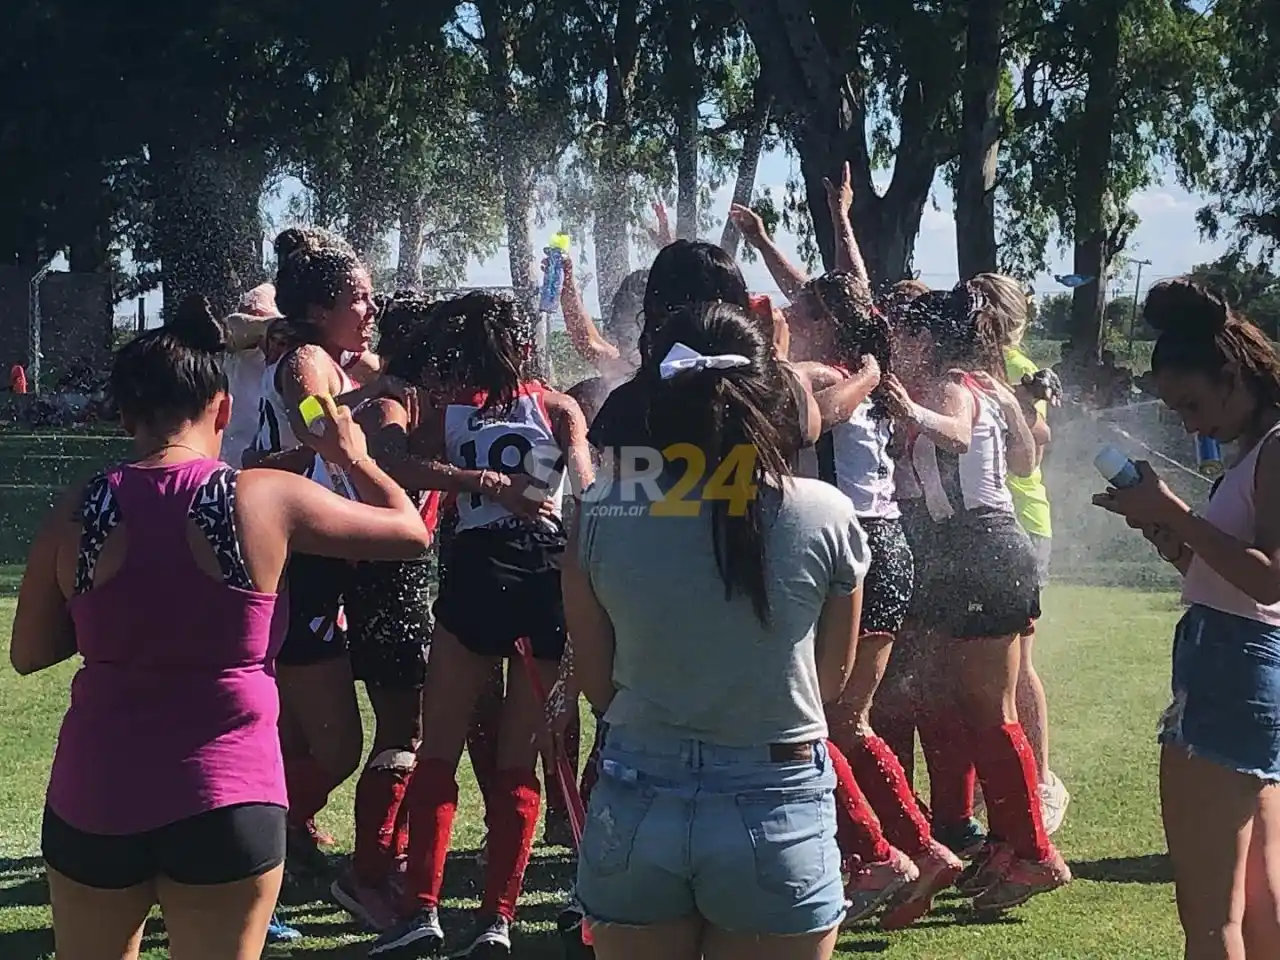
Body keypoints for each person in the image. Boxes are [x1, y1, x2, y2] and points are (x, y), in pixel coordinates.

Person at [9, 296, 431, 960]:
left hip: (98, 793)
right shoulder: (262, 496)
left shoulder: (79, 509)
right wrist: (351, 456)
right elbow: (411, 534)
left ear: (124, 418)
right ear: (223, 410)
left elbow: (30, 652)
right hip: (228, 796)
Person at [565, 301, 867, 960]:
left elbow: (595, 681)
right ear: (770, 390)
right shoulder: (827, 514)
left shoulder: (598, 513)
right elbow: (835, 680)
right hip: (776, 796)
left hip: (637, 795)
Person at [372, 292, 592, 958]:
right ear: (525, 347)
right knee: (517, 761)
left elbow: (396, 462)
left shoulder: (449, 409)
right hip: (547, 575)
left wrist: (479, 482)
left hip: (476, 573)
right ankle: (497, 919)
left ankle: (422, 912)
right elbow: (586, 483)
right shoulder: (558, 407)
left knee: (439, 749)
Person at [1093, 279, 1280, 960]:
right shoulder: (1253, 454)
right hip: (1243, 663)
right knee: (1258, 901)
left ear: (1233, 374)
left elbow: (1270, 578)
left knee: (1210, 917)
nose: (1190, 425)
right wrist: (1170, 538)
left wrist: (1175, 513)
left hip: (1233, 668)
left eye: (1194, 405)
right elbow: (1235, 581)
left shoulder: (1276, 448)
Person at [884, 283, 1071, 911]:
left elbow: (958, 437)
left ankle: (1036, 854)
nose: (894, 346)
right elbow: (1023, 459)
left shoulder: (951, 388)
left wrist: (908, 412)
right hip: (986, 551)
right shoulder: (984, 381)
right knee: (974, 710)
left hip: (979, 551)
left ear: (928, 340)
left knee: (991, 713)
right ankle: (1012, 845)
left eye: (903, 335)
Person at [799, 272, 963, 928]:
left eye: (797, 312)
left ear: (823, 324)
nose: (785, 319)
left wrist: (862, 372)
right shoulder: (860, 370)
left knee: (821, 719)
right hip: (884, 546)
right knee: (844, 719)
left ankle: (887, 853)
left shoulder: (821, 376)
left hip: (852, 548)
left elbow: (823, 414)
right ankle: (908, 851)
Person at [248, 227, 414, 875]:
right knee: (339, 746)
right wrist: (376, 397)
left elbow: (377, 380)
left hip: (306, 558)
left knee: (292, 732)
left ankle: (283, 838)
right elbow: (319, 425)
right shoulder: (306, 361)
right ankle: (265, 835)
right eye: (361, 299)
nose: (371, 311)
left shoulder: (328, 355)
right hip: (294, 563)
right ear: (320, 311)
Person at [971, 272, 1071, 836]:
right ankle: (1009, 782)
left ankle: (1041, 782)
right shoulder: (1005, 363)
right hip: (1000, 521)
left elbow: (1037, 441)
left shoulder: (1011, 364)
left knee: (1019, 663)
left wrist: (1023, 403)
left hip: (1019, 520)